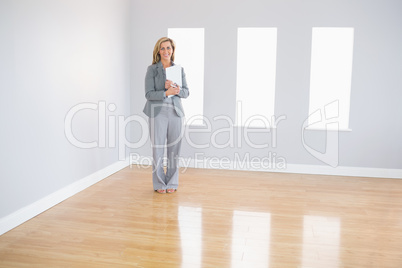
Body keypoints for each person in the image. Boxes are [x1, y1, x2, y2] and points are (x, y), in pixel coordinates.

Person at [143, 37, 189, 194]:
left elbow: (186, 92)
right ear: (158, 51)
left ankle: (172, 182)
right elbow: (148, 94)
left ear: (173, 50)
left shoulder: (179, 70)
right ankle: (159, 183)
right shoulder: (152, 70)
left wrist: (176, 89)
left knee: (174, 149)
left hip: (175, 112)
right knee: (158, 149)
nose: (166, 51)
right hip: (158, 112)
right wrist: (165, 91)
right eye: (162, 48)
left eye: (168, 48)